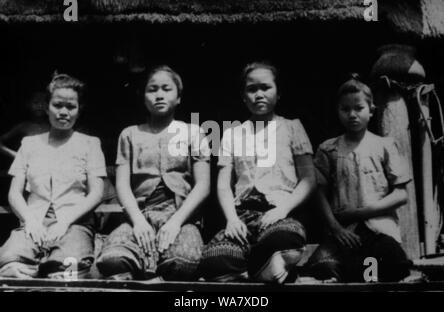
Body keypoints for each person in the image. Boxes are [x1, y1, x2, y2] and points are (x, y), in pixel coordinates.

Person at [199, 62, 316, 283]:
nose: (259, 94)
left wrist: (282, 209)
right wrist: (232, 219)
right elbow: (223, 185)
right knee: (214, 258)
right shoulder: (232, 134)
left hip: (279, 212)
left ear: (278, 93)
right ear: (244, 97)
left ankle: (256, 267)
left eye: (266, 87)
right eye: (252, 89)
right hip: (243, 215)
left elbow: (309, 180)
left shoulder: (292, 127)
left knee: (286, 238)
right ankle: (263, 269)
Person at [96, 65, 211, 281]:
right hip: (140, 214)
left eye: (166, 89)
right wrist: (138, 222)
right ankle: (142, 268)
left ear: (178, 98)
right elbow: (122, 185)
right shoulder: (129, 134)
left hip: (180, 215)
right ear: (144, 97)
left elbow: (203, 185)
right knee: (112, 259)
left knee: (183, 262)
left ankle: (149, 273)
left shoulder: (194, 132)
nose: (159, 95)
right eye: (152, 89)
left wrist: (176, 222)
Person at [306, 75, 412, 282]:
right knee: (322, 266)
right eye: (345, 109)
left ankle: (368, 277)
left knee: (391, 261)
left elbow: (401, 195)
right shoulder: (328, 149)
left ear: (371, 110)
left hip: (378, 228)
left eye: (359, 108)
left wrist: (360, 212)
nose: (352, 114)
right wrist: (336, 229)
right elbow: (318, 193)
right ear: (337, 111)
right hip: (343, 232)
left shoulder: (384, 145)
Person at [0, 73, 106, 279]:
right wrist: (30, 221)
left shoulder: (90, 144)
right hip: (34, 221)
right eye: (58, 105)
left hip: (74, 222)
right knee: (9, 263)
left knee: (68, 269)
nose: (64, 112)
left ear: (79, 109)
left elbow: (96, 193)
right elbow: (14, 192)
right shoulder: (29, 145)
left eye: (71, 106)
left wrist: (65, 221)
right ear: (47, 107)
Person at [0, 91, 49, 160]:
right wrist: (16, 156)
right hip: (28, 165)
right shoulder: (24, 126)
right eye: (36, 102)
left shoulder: (53, 126)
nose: (40, 106)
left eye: (43, 103)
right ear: (28, 104)